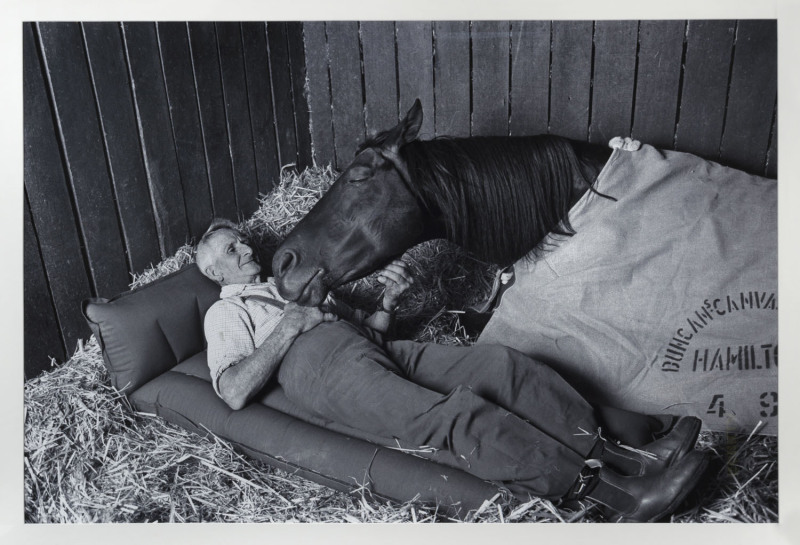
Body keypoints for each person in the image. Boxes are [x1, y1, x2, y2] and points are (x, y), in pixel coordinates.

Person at [195, 218, 708, 522]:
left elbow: (374, 333)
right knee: (454, 414)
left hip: (373, 350)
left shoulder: (295, 282)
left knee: (499, 364)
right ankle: (619, 497)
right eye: (231, 249)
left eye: (242, 239)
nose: (246, 248)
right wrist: (288, 327)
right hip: (315, 367)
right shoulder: (227, 312)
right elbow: (234, 391)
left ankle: (628, 457)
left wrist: (388, 303)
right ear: (215, 272)